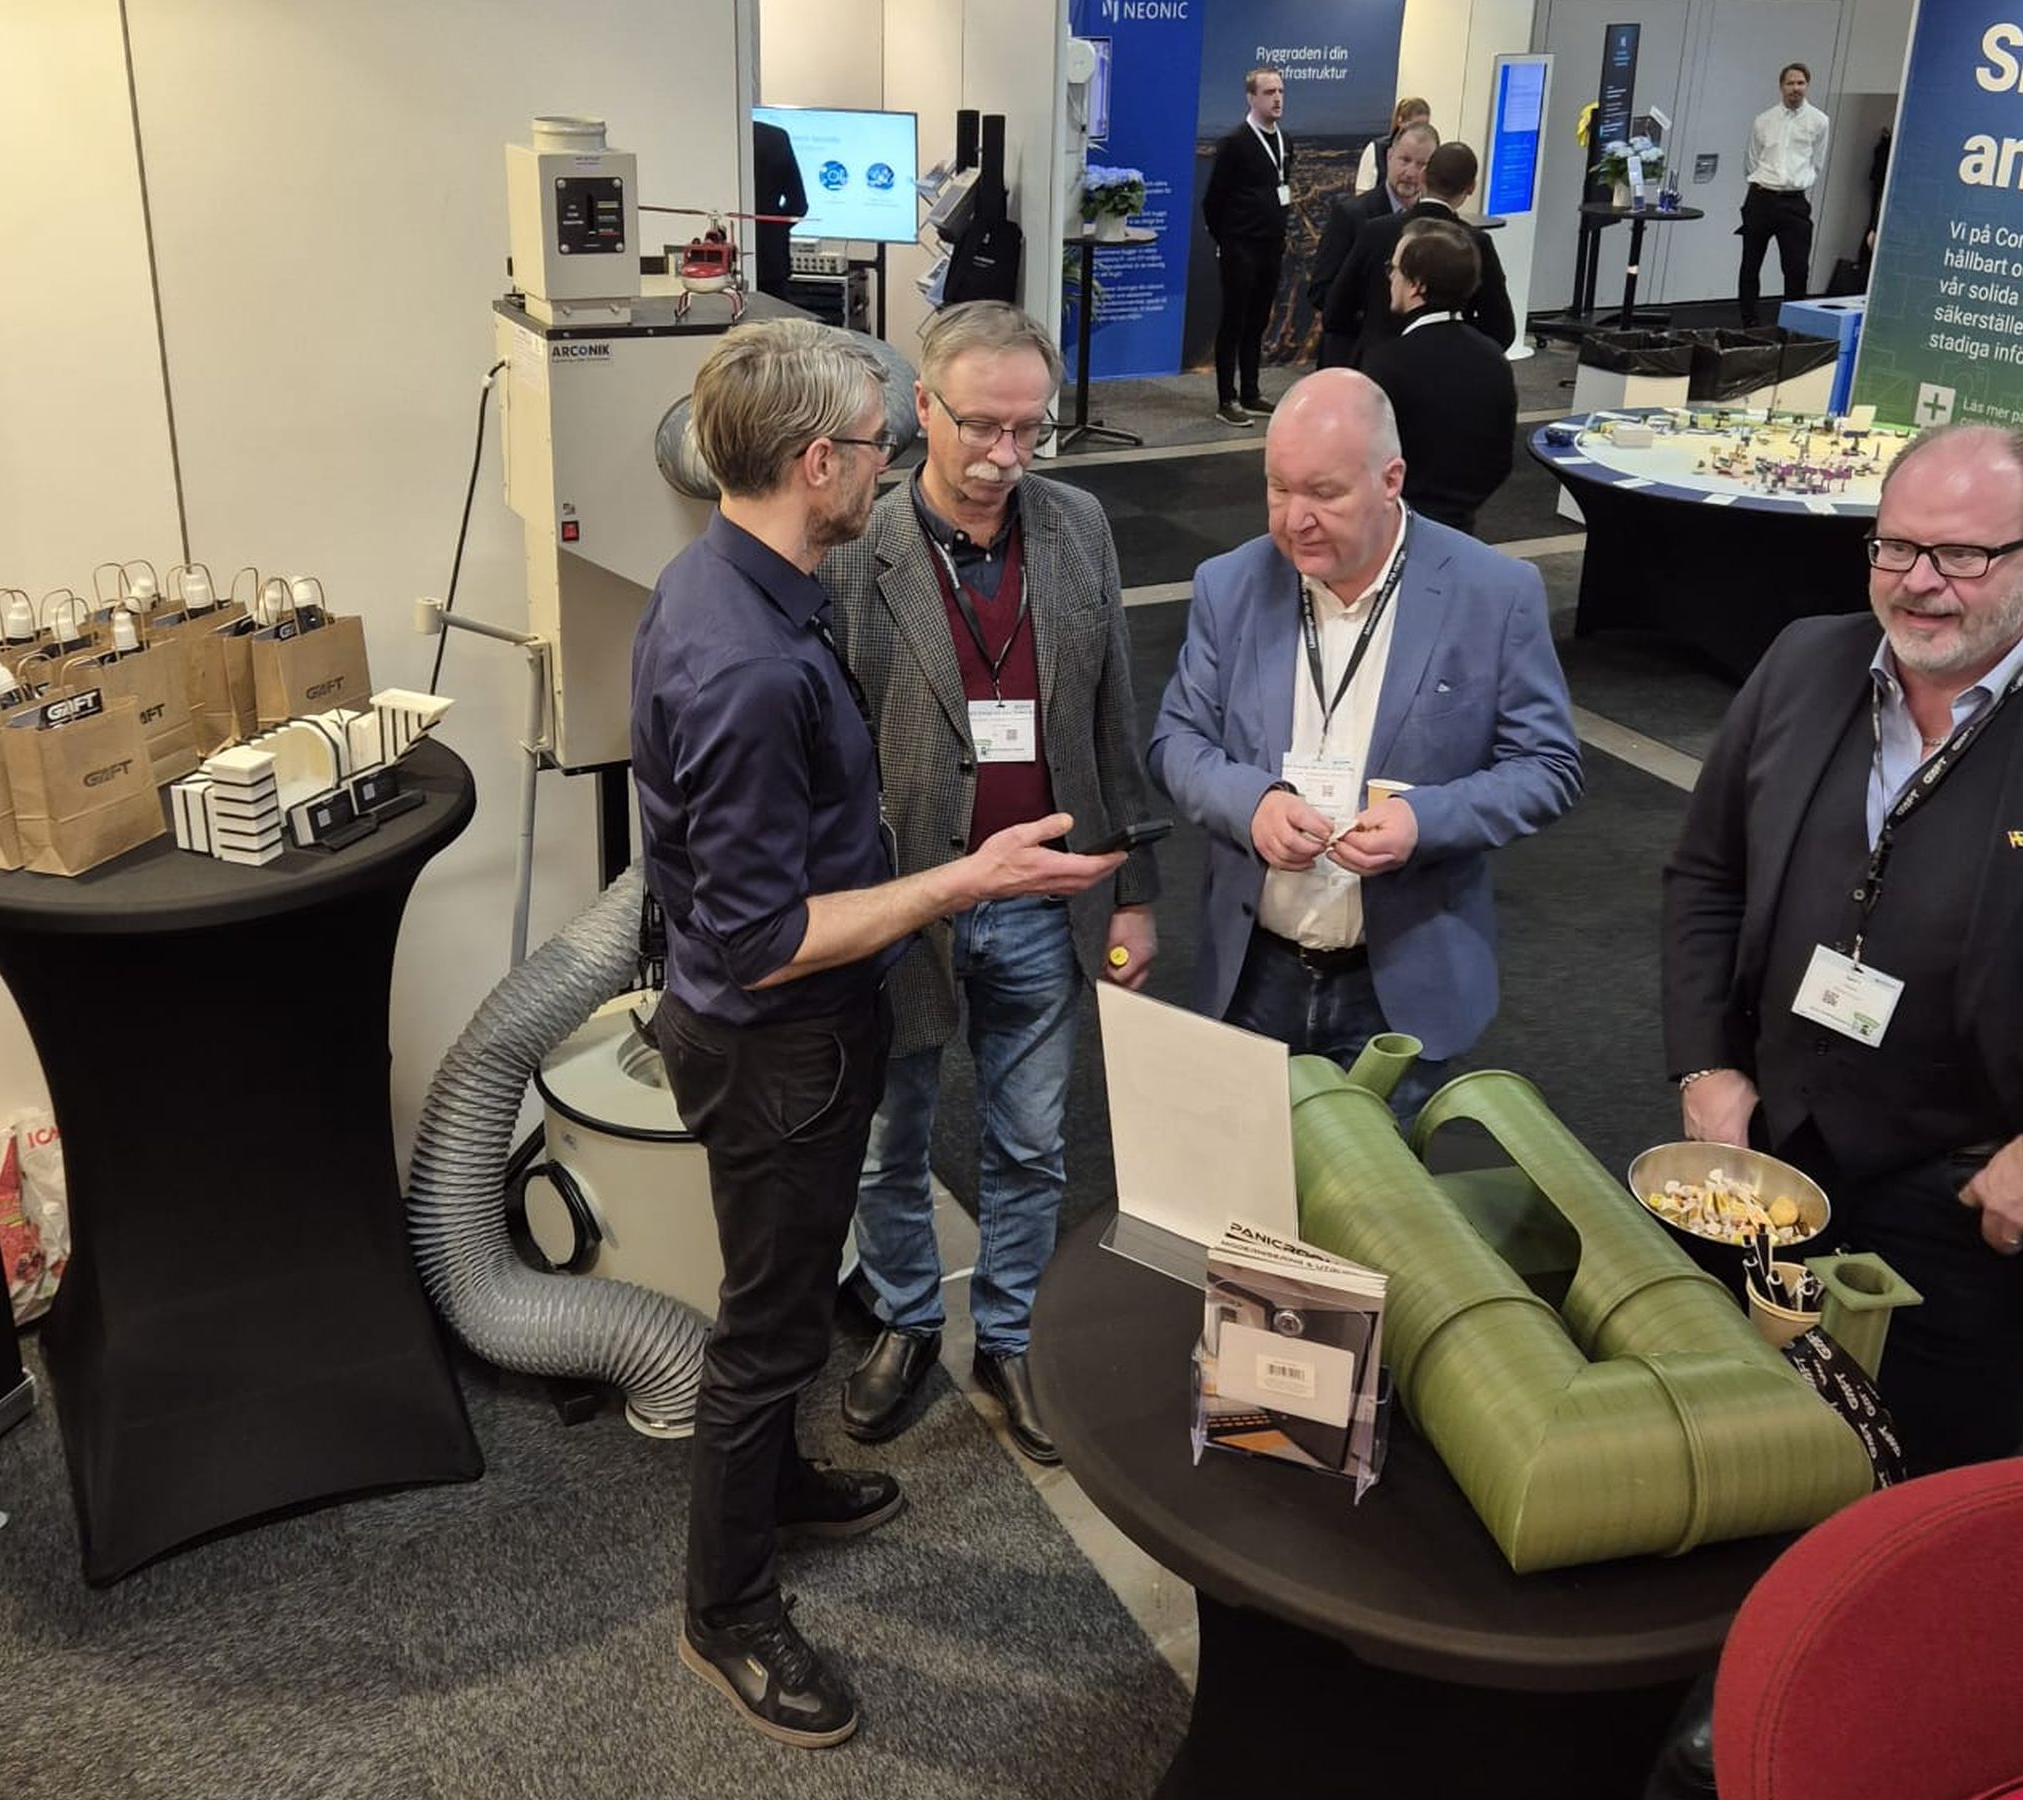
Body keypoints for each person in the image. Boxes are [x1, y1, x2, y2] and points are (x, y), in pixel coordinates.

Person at [631, 318, 1124, 1748]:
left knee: (784, 1313)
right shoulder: (749, 662)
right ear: (816, 462)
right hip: (779, 1045)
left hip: (791, 1035)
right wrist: (961, 883)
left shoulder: (738, 583)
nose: (892, 462)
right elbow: (762, 937)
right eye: (877, 441)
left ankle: (779, 1489)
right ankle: (727, 1614)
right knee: (766, 1333)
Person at [1663, 422, 2023, 1478]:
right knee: (1721, 1447)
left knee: (1919, 1488)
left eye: (1962, 554)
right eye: (1896, 546)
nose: (1919, 583)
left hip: (1969, 1205)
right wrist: (1705, 1067)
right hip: (1766, 1150)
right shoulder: (1801, 663)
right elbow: (1706, 873)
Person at [819, 302, 1162, 1465]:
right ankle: (908, 1318)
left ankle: (1008, 1335)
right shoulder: (854, 548)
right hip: (907, 902)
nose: (1007, 457)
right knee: (890, 1139)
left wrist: (1135, 886)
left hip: (1045, 899)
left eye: (1030, 429)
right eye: (981, 427)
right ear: (923, 408)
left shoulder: (1078, 529)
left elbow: (1113, 712)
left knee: (1032, 1143)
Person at [1147, 369, 1581, 1118]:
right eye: (1279, 488)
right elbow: (1175, 741)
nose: (1296, 519)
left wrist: (1424, 822)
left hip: (1402, 985)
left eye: (1324, 493)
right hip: (1253, 975)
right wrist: (1252, 805)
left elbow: (1547, 767)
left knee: (1381, 1186)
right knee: (1249, 1180)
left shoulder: (1493, 593)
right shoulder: (1229, 584)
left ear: (1391, 480)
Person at [1358, 221, 1515, 536]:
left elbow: (1362, 459)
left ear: (1416, 285)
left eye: (1394, 269)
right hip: (1462, 528)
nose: (1390, 277)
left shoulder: (1387, 363)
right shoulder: (1494, 358)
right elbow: (1500, 460)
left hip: (1393, 530)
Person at [1324, 141, 1515, 359]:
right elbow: (1501, 330)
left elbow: (1335, 313)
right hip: (1447, 366)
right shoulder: (1476, 243)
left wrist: (1372, 334)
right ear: (1471, 187)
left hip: (1376, 365)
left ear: (1423, 176)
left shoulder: (1375, 232)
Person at [1203, 66, 1293, 428]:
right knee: (1234, 321)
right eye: (1269, 92)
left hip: (1272, 246)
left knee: (1258, 321)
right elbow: (1213, 201)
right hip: (1241, 247)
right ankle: (1227, 398)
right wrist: (1227, 240)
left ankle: (1251, 391)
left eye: (1281, 91)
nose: (1277, 98)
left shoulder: (1286, 141)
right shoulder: (1235, 143)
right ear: (1251, 97)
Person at [1311, 121, 1437, 369]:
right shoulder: (1351, 215)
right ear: (1389, 157)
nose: (1411, 172)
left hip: (1410, 359)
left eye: (1422, 165)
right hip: (1353, 356)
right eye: (1404, 160)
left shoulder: (1433, 224)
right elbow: (1321, 291)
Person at [1739, 62, 1830, 326]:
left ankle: (1792, 325)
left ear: (1807, 85)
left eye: (1800, 83)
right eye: (1790, 83)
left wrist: (1796, 182)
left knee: (1796, 268)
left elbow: (1817, 162)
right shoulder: (1763, 120)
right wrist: (1764, 183)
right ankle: (1749, 322)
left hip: (1794, 202)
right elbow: (1751, 161)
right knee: (1750, 264)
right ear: (1781, 87)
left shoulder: (1819, 121)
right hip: (1761, 197)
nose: (1795, 88)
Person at [749, 117, 809, 302]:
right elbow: (798, 204)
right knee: (775, 318)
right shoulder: (775, 137)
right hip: (770, 261)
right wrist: (772, 229)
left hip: (719, 264)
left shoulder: (713, 137)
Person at [1353, 95, 1431, 196]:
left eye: (1424, 126)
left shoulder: (1429, 153)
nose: (1419, 131)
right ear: (1400, 121)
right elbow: (1362, 192)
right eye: (1415, 125)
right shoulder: (1377, 149)